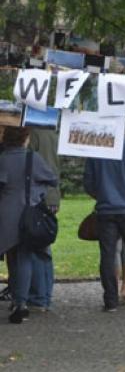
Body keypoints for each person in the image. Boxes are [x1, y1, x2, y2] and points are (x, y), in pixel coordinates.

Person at [84, 138, 125, 312]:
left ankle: (110, 301)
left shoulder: (96, 151)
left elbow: (88, 183)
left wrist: (103, 196)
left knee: (107, 254)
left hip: (106, 210)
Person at [0, 127, 58, 323]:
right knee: (24, 257)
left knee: (12, 257)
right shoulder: (32, 158)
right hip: (27, 214)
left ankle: (17, 297)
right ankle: (21, 303)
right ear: (25, 138)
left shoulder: (2, 159)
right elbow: (52, 179)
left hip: (5, 214)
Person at [27, 127, 61, 312]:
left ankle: (38, 296)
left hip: (39, 196)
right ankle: (45, 294)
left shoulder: (33, 135)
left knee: (36, 247)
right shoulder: (54, 135)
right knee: (44, 248)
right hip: (52, 196)